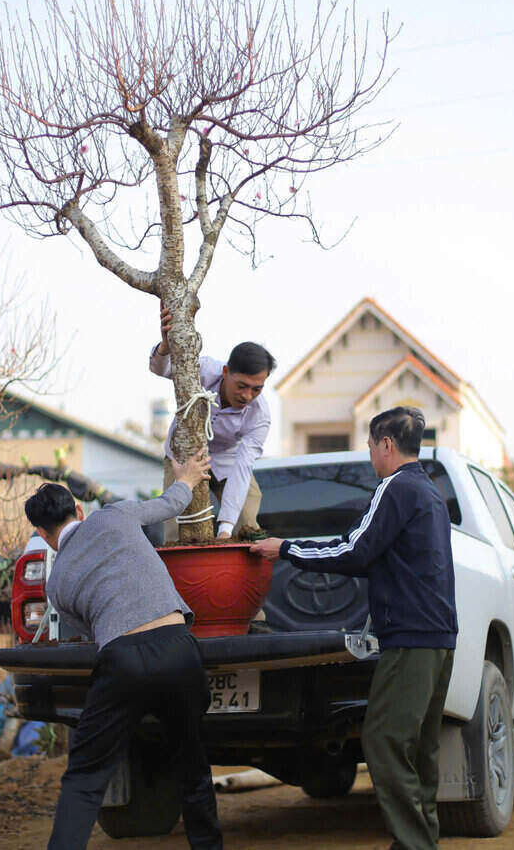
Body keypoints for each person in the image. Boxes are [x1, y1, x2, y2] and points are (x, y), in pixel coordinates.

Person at [250, 407, 458, 850]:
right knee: (419, 747)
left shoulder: (394, 487)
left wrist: (286, 548)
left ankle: (416, 844)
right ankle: (420, 841)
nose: (369, 456)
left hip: (410, 637)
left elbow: (355, 550)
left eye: (369, 446)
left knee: (383, 741)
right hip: (438, 636)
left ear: (385, 444)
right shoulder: (429, 490)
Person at [26, 448, 223, 850]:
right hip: (179, 649)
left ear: (42, 534)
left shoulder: (57, 583)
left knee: (85, 777)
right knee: (193, 768)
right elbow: (170, 504)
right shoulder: (113, 514)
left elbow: (93, 636)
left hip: (123, 661)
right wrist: (187, 475)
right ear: (79, 510)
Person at [151, 305, 273, 541]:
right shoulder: (203, 371)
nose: (247, 396)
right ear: (226, 372)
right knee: (177, 529)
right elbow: (162, 369)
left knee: (247, 525)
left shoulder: (260, 415)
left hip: (228, 459)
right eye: (241, 386)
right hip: (183, 456)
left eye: (256, 389)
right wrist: (165, 347)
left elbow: (242, 468)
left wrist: (226, 529)